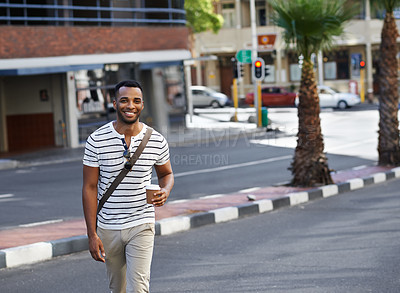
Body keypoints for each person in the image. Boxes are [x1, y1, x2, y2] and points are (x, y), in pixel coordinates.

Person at [82, 80, 174, 293]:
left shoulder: (157, 141)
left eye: (136, 101)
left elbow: (166, 174)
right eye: (124, 100)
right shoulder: (96, 140)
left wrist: (165, 190)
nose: (130, 105)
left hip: (141, 222)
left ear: (142, 105)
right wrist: (91, 234)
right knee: (118, 288)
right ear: (114, 104)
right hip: (108, 226)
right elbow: (89, 187)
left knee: (139, 288)